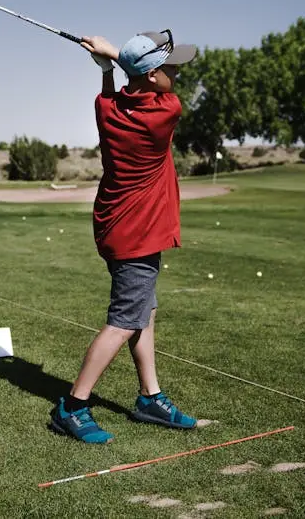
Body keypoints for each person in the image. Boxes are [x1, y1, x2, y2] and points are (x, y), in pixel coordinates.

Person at [49, 30, 203, 444]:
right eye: (169, 68)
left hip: (117, 225)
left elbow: (113, 94)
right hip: (138, 233)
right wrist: (112, 55)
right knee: (122, 321)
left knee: (143, 313)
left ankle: (150, 396)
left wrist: (105, 70)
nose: (175, 74)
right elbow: (138, 79)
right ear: (151, 76)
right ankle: (73, 405)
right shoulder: (164, 112)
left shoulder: (107, 107)